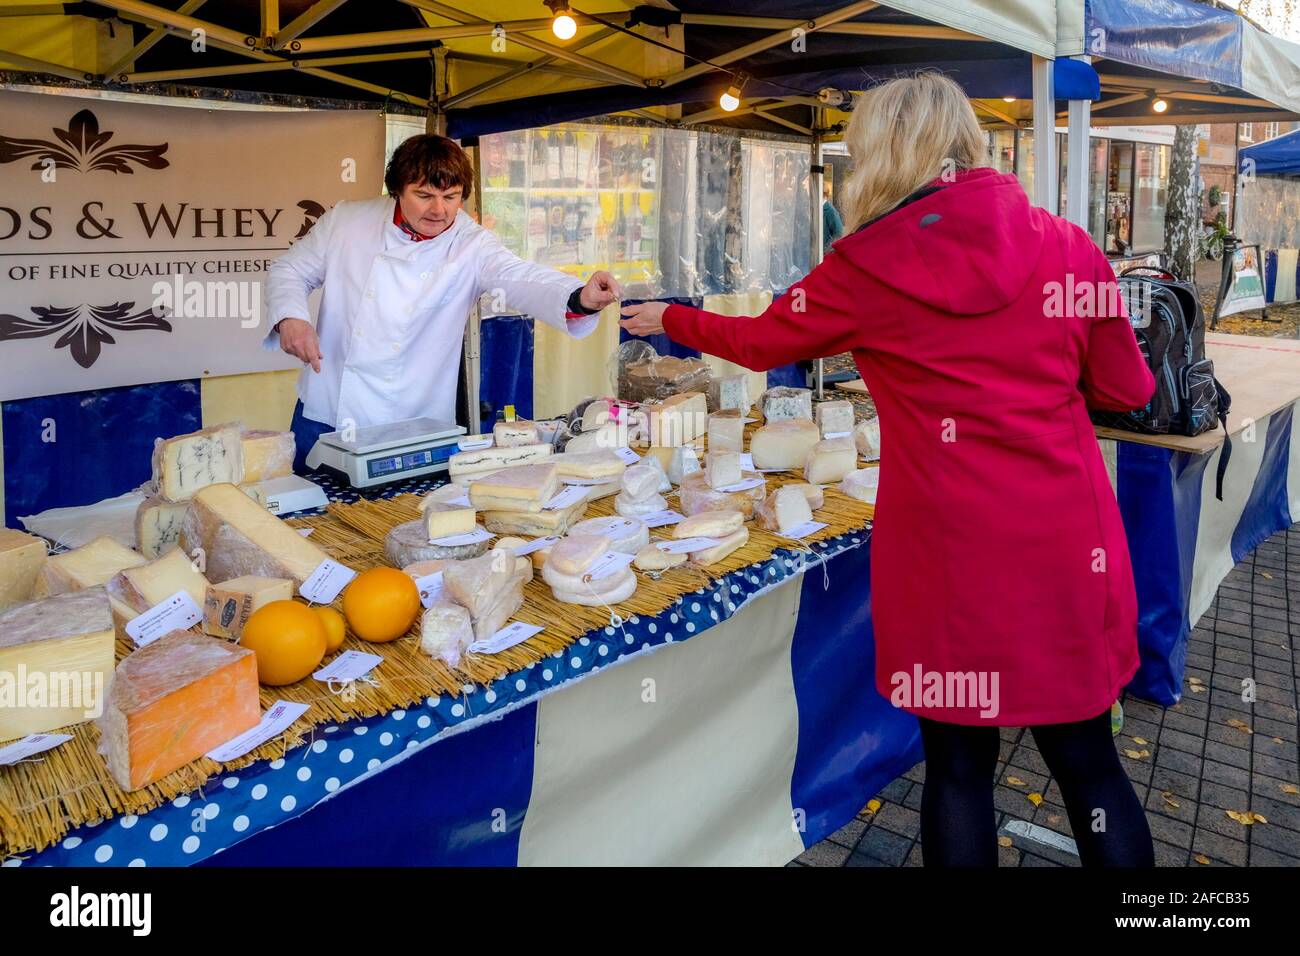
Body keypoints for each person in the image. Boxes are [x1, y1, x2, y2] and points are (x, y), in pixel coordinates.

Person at [621, 73, 1157, 867]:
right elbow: (1128, 389)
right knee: (1089, 768)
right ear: (965, 143)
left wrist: (669, 316)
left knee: (959, 774)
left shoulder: (865, 267)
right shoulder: (1067, 245)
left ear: (878, 155)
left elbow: (763, 342)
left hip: (950, 557)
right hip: (1065, 545)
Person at [266, 134, 621, 469]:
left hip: (415, 424)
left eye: (451, 197)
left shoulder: (472, 244)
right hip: (329, 409)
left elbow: (520, 277)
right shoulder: (347, 220)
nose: (439, 210)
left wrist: (579, 298)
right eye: (424, 195)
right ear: (397, 191)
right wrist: (291, 318)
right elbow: (289, 270)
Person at [823, 182, 844, 249]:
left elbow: (839, 234)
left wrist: (825, 249)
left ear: (824, 194)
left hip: (822, 254)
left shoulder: (830, 211)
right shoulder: (816, 208)